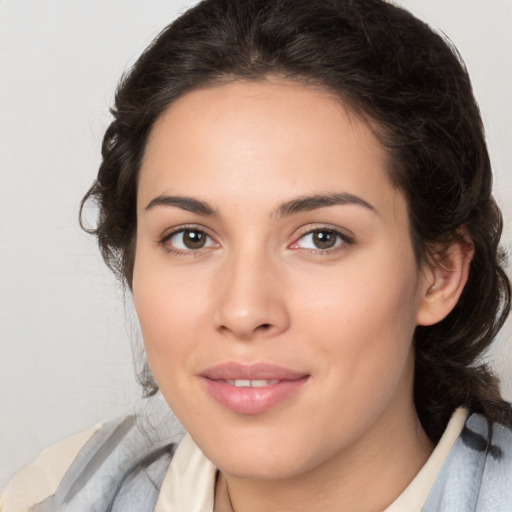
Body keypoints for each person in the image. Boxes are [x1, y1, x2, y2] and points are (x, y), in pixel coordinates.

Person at [2, 0, 511, 510]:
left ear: (440, 274)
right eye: (191, 238)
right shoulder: (55, 496)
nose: (244, 311)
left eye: (321, 238)